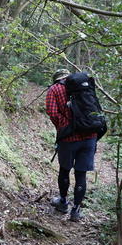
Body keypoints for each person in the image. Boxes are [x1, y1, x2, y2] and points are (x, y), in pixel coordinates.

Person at [45, 68, 98, 222]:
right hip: (90, 136)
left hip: (68, 138)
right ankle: (76, 211)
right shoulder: (85, 86)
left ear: (56, 79)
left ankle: (63, 203)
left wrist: (64, 126)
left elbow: (52, 112)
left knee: (65, 169)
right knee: (81, 174)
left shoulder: (55, 89)